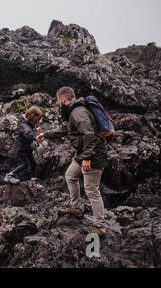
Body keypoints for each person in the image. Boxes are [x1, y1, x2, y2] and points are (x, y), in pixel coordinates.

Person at [37, 87, 108, 237]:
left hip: (93, 154)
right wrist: (46, 134)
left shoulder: (78, 112)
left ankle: (100, 226)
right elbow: (65, 129)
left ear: (63, 99)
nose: (58, 103)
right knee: (70, 175)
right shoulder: (73, 112)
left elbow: (89, 134)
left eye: (58, 100)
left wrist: (87, 158)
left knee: (91, 190)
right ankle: (76, 207)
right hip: (83, 153)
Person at [5, 106, 44, 188]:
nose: (38, 122)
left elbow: (30, 129)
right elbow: (27, 133)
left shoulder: (28, 122)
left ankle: (33, 181)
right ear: (32, 117)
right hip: (21, 148)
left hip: (28, 147)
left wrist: (35, 130)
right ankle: (9, 175)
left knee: (34, 163)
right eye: (37, 120)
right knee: (25, 164)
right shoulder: (23, 125)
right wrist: (35, 136)